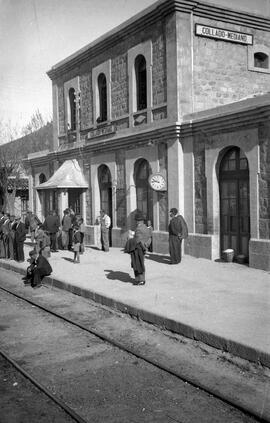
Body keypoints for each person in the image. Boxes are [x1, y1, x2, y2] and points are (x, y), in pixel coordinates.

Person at [125, 210, 151, 286]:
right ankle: (141, 279)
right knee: (141, 263)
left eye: (136, 221)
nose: (136, 222)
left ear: (139, 221)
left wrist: (130, 239)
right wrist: (146, 245)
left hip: (137, 249)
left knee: (138, 264)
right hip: (143, 248)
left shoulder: (138, 229)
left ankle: (141, 280)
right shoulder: (145, 227)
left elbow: (137, 240)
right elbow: (149, 237)